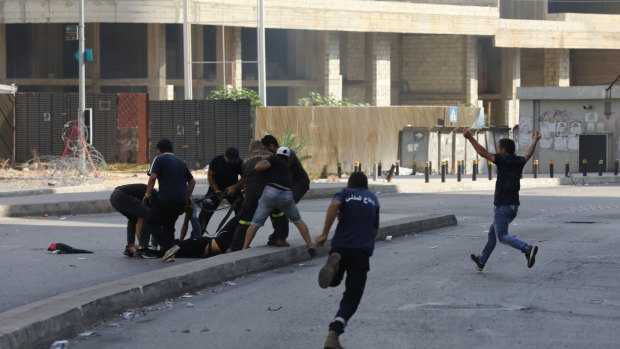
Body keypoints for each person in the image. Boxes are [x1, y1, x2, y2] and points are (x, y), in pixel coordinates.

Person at [315, 172, 380, 349]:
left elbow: (334, 205)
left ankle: (334, 265)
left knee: (334, 282)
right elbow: (375, 231)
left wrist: (325, 233)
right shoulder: (373, 199)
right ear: (365, 186)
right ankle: (334, 332)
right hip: (361, 251)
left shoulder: (344, 194)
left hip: (340, 246)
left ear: (349, 184)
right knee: (351, 297)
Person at [464, 128, 541, 271]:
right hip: (513, 207)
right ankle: (481, 261)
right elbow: (528, 153)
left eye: (499, 148)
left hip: (503, 206)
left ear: (504, 150)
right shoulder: (519, 160)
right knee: (492, 233)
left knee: (502, 236)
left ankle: (527, 249)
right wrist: (535, 140)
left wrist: (469, 138)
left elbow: (483, 153)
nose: (497, 150)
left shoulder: (502, 160)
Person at [242, 146, 317, 257]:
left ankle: (244, 248)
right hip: (286, 195)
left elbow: (258, 167)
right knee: (298, 221)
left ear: (277, 154)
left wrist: (264, 159)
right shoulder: (286, 165)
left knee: (256, 223)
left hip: (271, 193)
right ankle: (310, 248)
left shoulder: (274, 159)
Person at [138, 138, 196, 262]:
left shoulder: (159, 159)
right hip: (180, 200)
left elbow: (152, 177)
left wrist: (147, 194)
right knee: (169, 225)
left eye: (157, 150)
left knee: (151, 221)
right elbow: (192, 181)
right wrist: (186, 198)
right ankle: (169, 254)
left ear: (159, 150)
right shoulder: (181, 161)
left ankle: (170, 246)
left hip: (166, 198)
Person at [261, 135, 310, 247]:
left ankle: (280, 237)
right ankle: (277, 235)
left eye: (265, 148)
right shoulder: (275, 156)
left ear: (271, 146)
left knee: (284, 207)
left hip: (299, 184)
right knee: (276, 209)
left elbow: (282, 168)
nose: (264, 151)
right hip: (288, 185)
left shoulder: (286, 152)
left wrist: (267, 161)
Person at [228, 140, 272, 251]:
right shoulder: (269, 155)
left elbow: (245, 178)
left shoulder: (245, 161)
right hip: (266, 192)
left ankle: (236, 246)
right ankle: (279, 238)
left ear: (251, 149)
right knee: (278, 214)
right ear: (262, 147)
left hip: (250, 193)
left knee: (245, 220)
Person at [197, 147, 243, 236]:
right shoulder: (217, 161)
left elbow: (244, 177)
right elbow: (210, 176)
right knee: (205, 213)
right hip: (216, 188)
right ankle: (196, 237)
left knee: (242, 212)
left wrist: (234, 187)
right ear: (225, 157)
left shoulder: (239, 163)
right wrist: (216, 190)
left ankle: (238, 237)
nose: (232, 162)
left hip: (232, 189)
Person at [109, 184, 158, 257]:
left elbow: (138, 222)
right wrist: (142, 245)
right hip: (122, 196)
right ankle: (143, 250)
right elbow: (144, 221)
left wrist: (141, 243)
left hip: (114, 197)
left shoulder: (153, 196)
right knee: (149, 216)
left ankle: (130, 246)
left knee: (133, 219)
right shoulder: (156, 198)